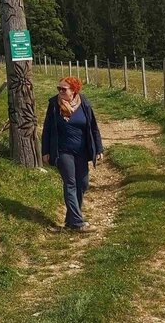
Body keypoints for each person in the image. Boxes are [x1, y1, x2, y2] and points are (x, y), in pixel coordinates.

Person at [41, 76, 104, 232]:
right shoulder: (54, 105)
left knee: (82, 184)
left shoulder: (84, 104)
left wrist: (99, 148)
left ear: (74, 91)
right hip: (63, 151)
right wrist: (45, 151)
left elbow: (93, 127)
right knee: (70, 183)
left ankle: (70, 221)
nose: (60, 92)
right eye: (59, 89)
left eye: (64, 89)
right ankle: (77, 223)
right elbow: (47, 129)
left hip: (82, 151)